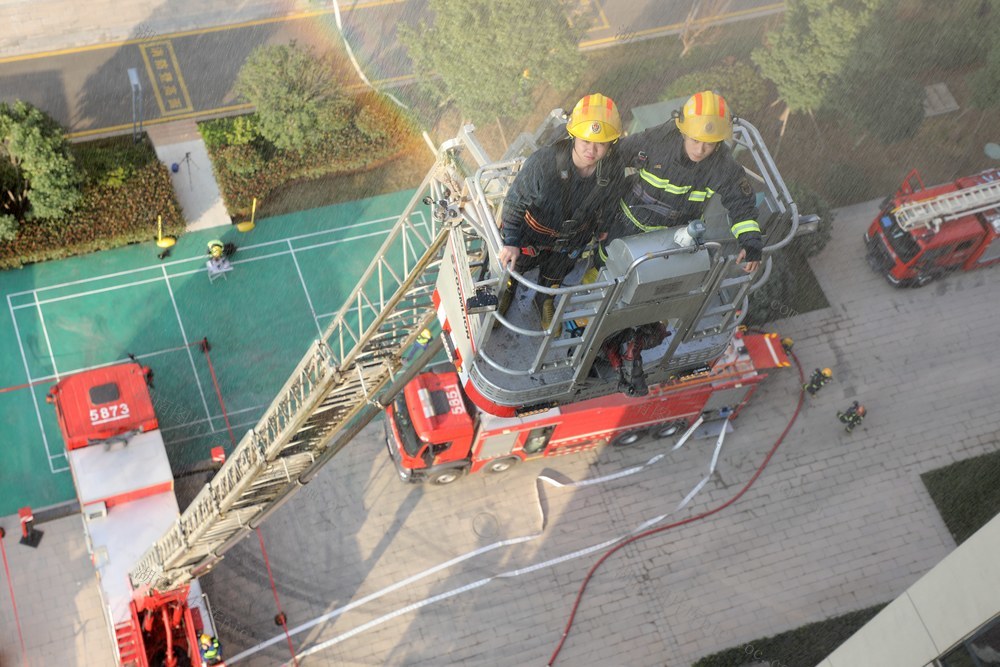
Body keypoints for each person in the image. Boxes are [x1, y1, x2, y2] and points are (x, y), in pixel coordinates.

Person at [497, 93, 628, 332]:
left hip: (573, 237)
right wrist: (512, 242)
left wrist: (603, 228)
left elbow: (610, 201)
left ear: (611, 145)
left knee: (558, 270)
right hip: (532, 233)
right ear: (573, 136)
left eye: (601, 144)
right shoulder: (543, 164)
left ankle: (546, 299)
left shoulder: (612, 170)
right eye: (586, 141)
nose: (592, 149)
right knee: (517, 265)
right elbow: (514, 203)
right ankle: (507, 289)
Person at [604, 90, 764, 273]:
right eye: (695, 140)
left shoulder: (722, 165)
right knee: (607, 259)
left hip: (676, 237)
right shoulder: (657, 142)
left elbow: (740, 202)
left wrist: (750, 242)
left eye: (709, 143)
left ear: (719, 142)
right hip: (626, 222)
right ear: (684, 132)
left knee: (653, 276)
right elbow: (613, 159)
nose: (700, 149)